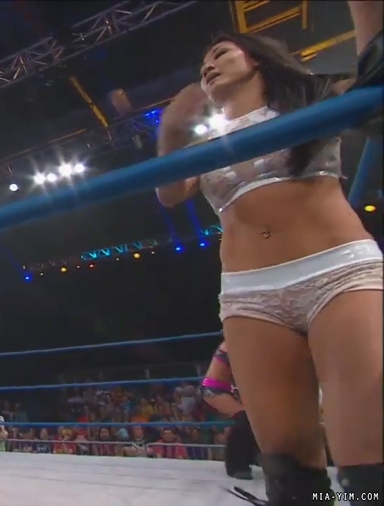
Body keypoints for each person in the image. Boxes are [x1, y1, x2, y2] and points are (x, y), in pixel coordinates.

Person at [155, 3, 382, 503]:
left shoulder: (310, 99)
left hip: (337, 272)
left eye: (220, 54)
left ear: (256, 58)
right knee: (287, 461)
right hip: (250, 295)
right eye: (203, 65)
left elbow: (374, 83)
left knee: (366, 450)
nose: (208, 66)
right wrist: (171, 131)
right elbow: (170, 193)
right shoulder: (206, 145)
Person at [199, 342, 258, 480]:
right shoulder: (231, 344)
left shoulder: (242, 343)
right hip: (212, 388)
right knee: (244, 417)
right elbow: (242, 372)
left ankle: (251, 456)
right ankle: (235, 465)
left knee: (254, 419)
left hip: (227, 388)